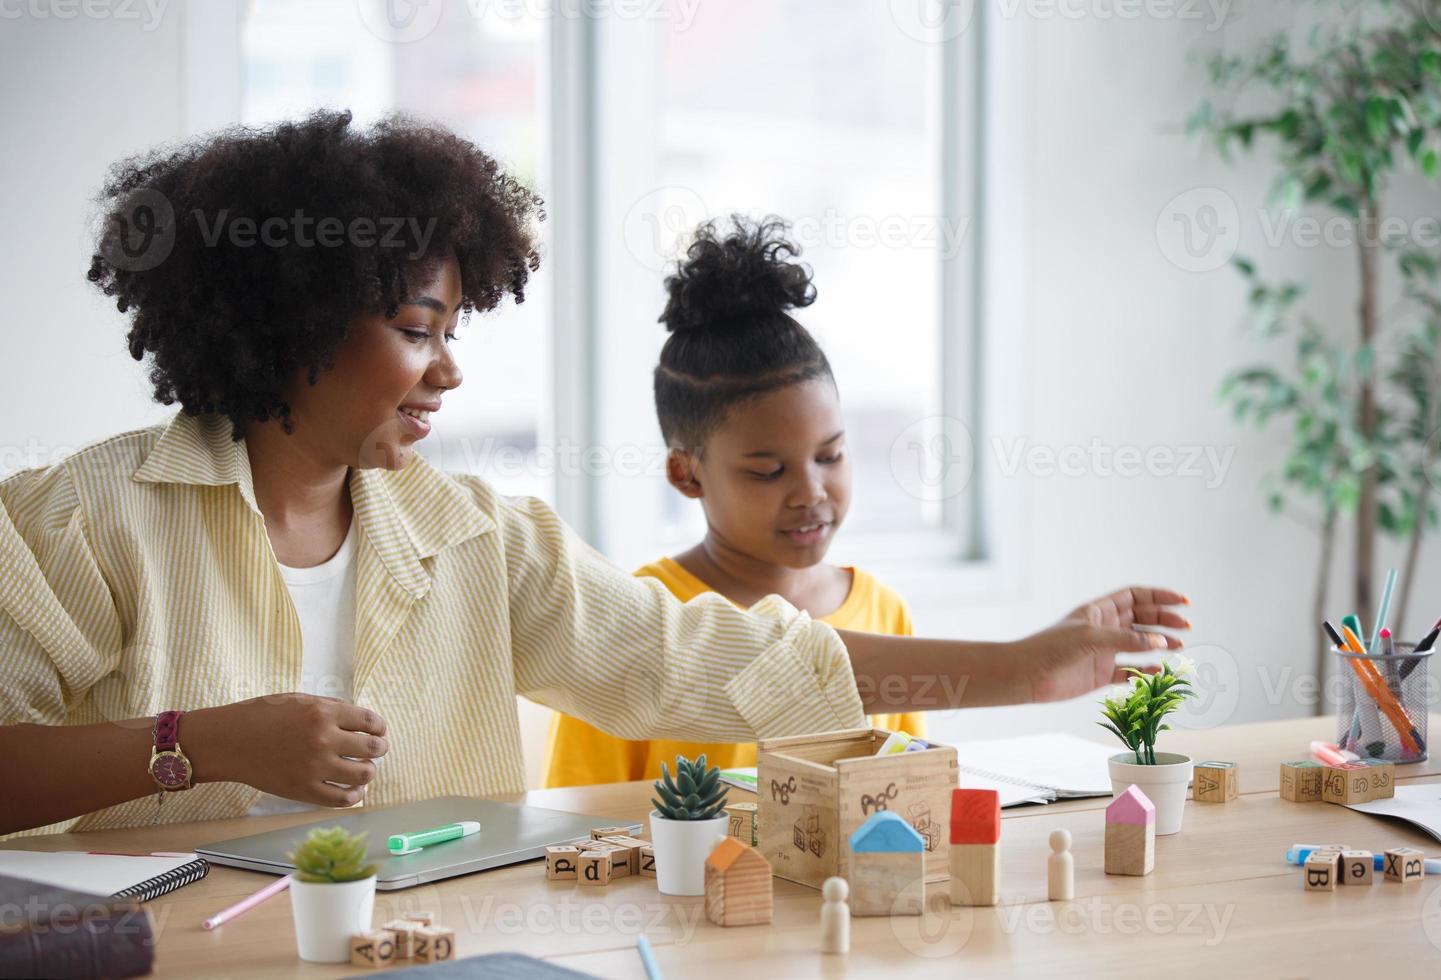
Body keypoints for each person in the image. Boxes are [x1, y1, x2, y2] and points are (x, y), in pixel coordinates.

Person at [0, 111, 1189, 839]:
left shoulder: (476, 537)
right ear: (296, 321)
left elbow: (706, 661)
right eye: (420, 328)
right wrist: (201, 742)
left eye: (454, 328)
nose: (448, 372)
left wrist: (1032, 664)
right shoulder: (90, 518)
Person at [544, 217, 929, 787]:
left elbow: (907, 793)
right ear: (686, 472)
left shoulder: (885, 613)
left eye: (831, 456)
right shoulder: (641, 622)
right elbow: (577, 823)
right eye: (769, 471)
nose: (812, 492)